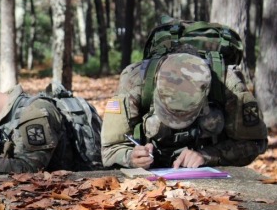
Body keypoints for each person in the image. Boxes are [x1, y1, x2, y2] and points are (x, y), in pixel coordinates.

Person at [101, 52, 267, 169]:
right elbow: (109, 150)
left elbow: (255, 143)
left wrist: (207, 156)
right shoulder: (135, 82)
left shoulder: (228, 86)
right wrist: (131, 156)